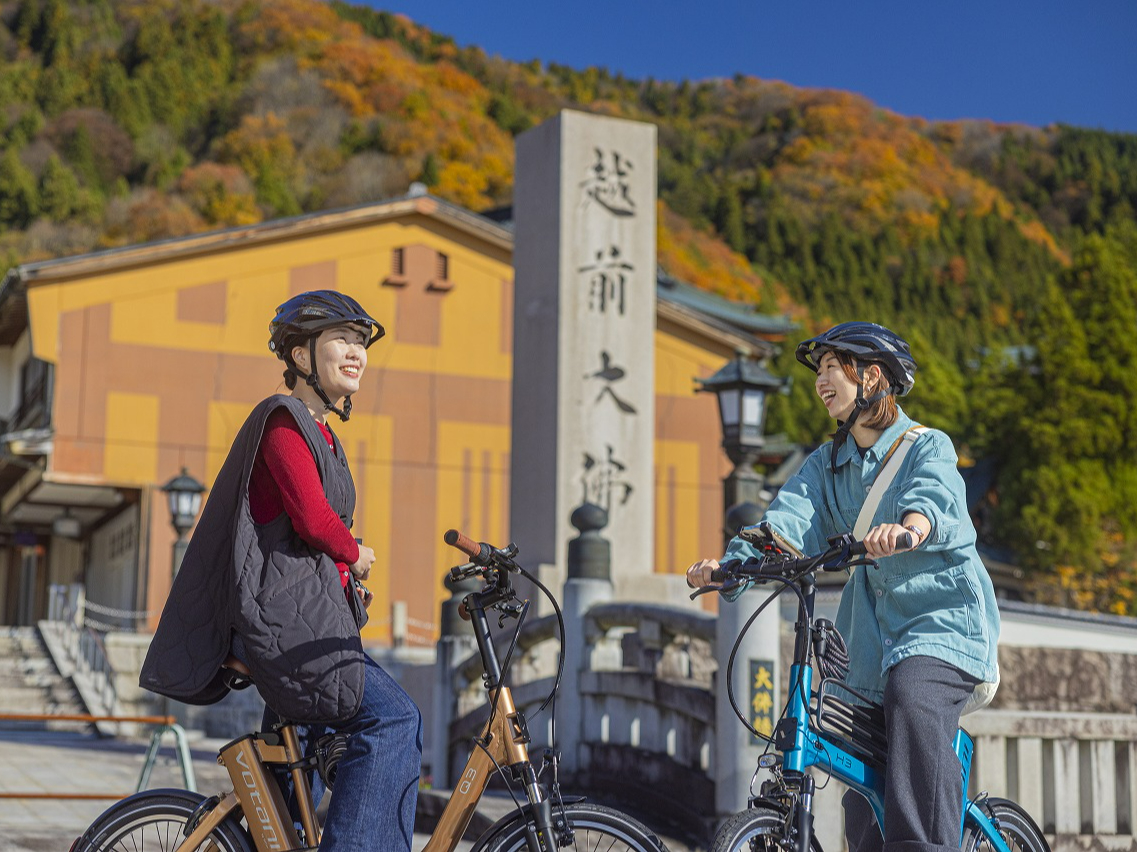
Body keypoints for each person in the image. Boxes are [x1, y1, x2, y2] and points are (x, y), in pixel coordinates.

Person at [687, 322, 1000, 852]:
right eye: (821, 370)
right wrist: (731, 567)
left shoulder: (927, 446)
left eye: (835, 368)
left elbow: (933, 497)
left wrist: (910, 527)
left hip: (942, 624)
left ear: (873, 377)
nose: (822, 381)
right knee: (857, 771)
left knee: (912, 696)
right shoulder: (826, 465)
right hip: (870, 639)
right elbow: (787, 521)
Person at [140, 290, 422, 851]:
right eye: (342, 339)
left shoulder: (322, 434)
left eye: (361, 342)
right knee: (393, 721)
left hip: (304, 621)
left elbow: (302, 530)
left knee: (293, 789)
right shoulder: (283, 423)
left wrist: (344, 569)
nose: (357, 353)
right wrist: (353, 553)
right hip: (288, 628)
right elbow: (315, 520)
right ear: (300, 357)